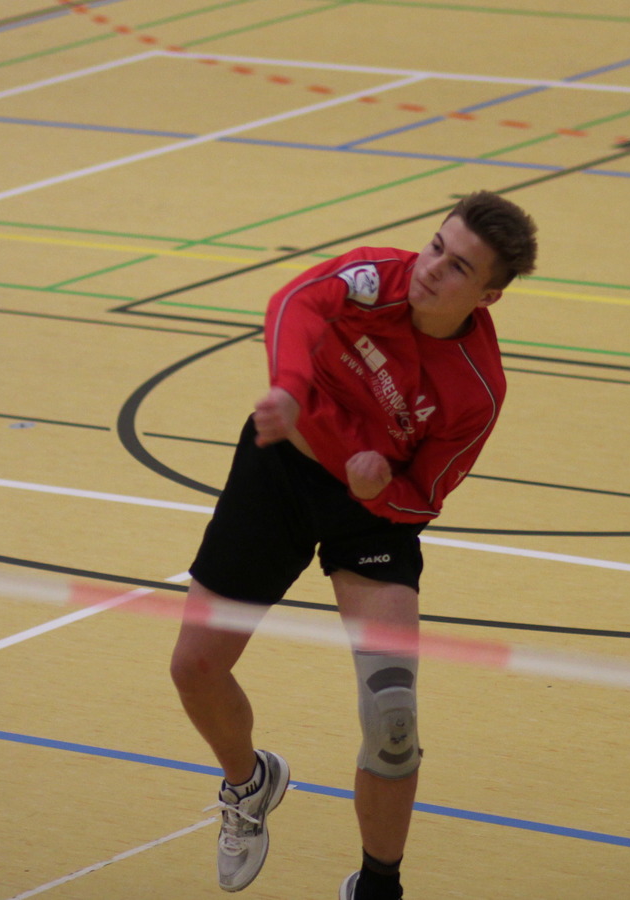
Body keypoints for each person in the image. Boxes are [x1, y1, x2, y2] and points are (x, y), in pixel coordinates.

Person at [169, 191, 538, 898]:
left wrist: (376, 490)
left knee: (392, 714)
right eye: (435, 246)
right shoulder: (372, 280)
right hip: (281, 465)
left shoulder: (476, 390)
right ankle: (248, 783)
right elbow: (292, 302)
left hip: (372, 513)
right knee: (195, 668)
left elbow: (423, 497)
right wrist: (289, 388)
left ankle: (377, 886)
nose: (431, 269)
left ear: (488, 296)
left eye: (458, 267)